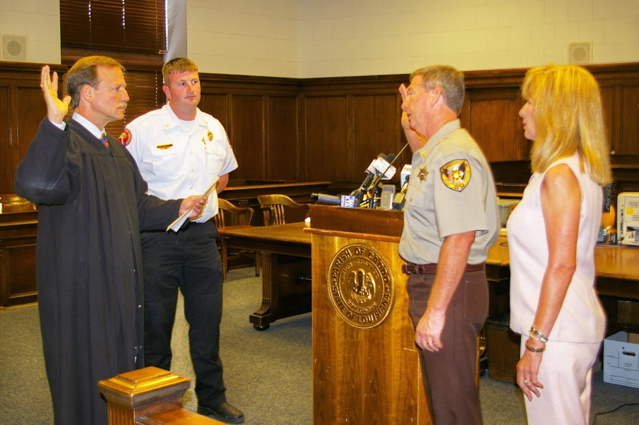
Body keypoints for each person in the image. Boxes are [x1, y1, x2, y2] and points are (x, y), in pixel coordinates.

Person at [14, 56, 206, 425]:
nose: (126, 95)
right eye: (116, 87)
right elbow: (37, 186)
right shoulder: (66, 140)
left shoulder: (114, 148)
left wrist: (178, 207)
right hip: (81, 291)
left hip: (120, 284)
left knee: (121, 370)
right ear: (87, 93)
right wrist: (54, 122)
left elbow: (137, 206)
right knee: (85, 372)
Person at [123, 58, 243, 424]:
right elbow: (129, 187)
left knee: (207, 321)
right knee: (156, 325)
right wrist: (175, 205)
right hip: (159, 241)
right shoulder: (142, 129)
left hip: (203, 238)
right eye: (181, 83)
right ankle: (154, 401)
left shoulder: (213, 126)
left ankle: (212, 397)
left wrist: (202, 201)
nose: (190, 89)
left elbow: (223, 176)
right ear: (166, 89)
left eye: (194, 81)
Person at [507, 64, 612, 425]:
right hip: (565, 327)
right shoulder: (577, 169)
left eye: (531, 102)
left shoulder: (560, 176)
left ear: (556, 110)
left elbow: (563, 264)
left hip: (554, 333)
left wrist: (536, 344)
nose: (523, 111)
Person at [397, 65, 500, 425]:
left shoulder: (454, 156)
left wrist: (437, 311)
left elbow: (460, 236)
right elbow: (420, 156)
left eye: (412, 93)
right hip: (438, 284)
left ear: (436, 95)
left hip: (449, 290)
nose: (406, 101)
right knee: (444, 399)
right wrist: (408, 116)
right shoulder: (436, 150)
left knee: (454, 407)